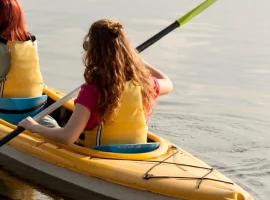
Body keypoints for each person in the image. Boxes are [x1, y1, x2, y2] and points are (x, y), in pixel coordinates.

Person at [19, 19, 173, 148]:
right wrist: (135, 59)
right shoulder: (144, 84)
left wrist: (34, 127)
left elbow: (67, 138)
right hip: (137, 153)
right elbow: (168, 83)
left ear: (93, 53)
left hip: (100, 154)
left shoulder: (92, 90)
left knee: (46, 123)